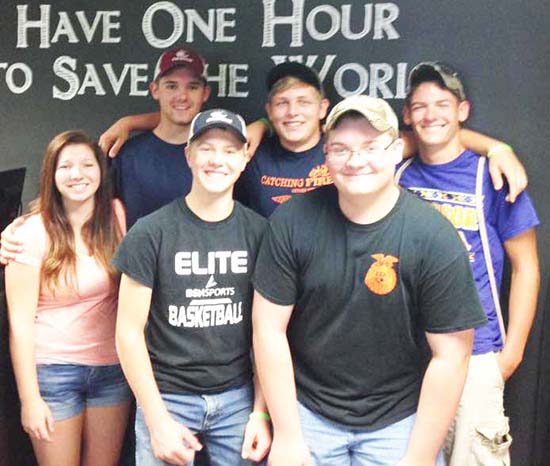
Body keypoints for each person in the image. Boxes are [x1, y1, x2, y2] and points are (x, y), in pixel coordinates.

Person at [251, 95, 488, 466]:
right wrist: (288, 434)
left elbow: (451, 355)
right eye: (341, 149)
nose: (356, 161)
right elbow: (268, 330)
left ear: (396, 150)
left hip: (400, 418)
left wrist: (419, 457)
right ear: (326, 156)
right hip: (308, 410)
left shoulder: (434, 237)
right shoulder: (292, 221)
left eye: (370, 147)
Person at [97, 61, 528, 219]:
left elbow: (433, 138)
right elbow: (188, 125)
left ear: (323, 108)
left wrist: (495, 147)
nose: (292, 112)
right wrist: (134, 122)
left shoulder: (354, 151)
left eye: (303, 102)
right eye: (282, 103)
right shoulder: (252, 150)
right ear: (269, 110)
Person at [397, 61, 540, 466]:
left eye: (442, 104)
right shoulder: (394, 172)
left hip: (475, 353)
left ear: (463, 111)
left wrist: (511, 354)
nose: (431, 114)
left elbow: (526, 267)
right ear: (407, 116)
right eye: (419, 106)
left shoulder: (492, 176)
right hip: (406, 355)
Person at [113, 109, 271, 466]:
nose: (218, 160)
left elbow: (267, 332)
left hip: (238, 398)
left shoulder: (261, 234)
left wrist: (260, 412)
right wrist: (156, 419)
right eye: (207, 149)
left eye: (230, 151)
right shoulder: (150, 232)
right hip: (167, 396)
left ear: (245, 158)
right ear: (189, 155)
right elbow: (127, 332)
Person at [5, 130, 132, 466]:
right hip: (53, 372)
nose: (78, 174)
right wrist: (29, 398)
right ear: (52, 175)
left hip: (111, 371)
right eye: (66, 166)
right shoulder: (30, 233)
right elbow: (20, 325)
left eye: (87, 165)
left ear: (102, 172)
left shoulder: (117, 217)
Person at [110, 46, 211, 230]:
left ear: (205, 93)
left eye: (193, 87)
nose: (182, 96)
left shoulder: (219, 159)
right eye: (171, 86)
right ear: (155, 90)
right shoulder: (125, 156)